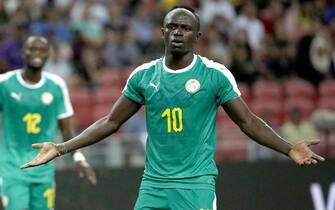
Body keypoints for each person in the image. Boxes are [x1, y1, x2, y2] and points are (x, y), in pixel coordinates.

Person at [21, 6, 324, 210]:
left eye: (185, 28)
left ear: (197, 36)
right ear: (163, 32)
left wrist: (288, 148)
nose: (178, 32)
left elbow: (248, 122)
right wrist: (62, 148)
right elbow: (110, 122)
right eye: (172, 27)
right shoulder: (144, 76)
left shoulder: (214, 75)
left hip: (196, 186)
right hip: (153, 185)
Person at [0, 36, 97, 210]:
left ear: (48, 54)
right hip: (13, 169)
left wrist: (78, 156)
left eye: (42, 50)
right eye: (32, 49)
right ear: (23, 53)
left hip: (43, 170)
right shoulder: (5, 84)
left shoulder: (56, 85)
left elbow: (66, 128)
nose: (37, 53)